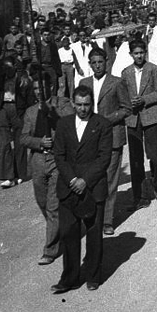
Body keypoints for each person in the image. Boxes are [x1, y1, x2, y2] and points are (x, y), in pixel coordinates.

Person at [51, 84, 112, 293]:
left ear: (92, 104)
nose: (83, 109)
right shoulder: (63, 124)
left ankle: (93, 276)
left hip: (93, 187)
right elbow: (59, 155)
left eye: (87, 105)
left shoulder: (102, 124)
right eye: (79, 104)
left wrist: (85, 180)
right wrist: (72, 179)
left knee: (94, 235)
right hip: (68, 187)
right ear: (73, 104)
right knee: (69, 234)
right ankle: (69, 279)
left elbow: (104, 157)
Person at [21, 77, 70, 265]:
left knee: (53, 206)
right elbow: (23, 138)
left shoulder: (62, 104)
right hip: (38, 161)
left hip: (57, 161)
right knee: (42, 202)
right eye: (34, 88)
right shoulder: (30, 112)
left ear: (50, 86)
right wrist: (39, 142)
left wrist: (52, 113)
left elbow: (71, 123)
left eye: (41, 87)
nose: (38, 92)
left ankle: (50, 249)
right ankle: (58, 230)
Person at [81, 47, 129, 235]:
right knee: (91, 178)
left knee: (110, 179)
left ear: (106, 62)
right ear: (90, 64)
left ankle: (107, 221)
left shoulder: (117, 83)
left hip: (112, 136)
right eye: (94, 62)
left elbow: (126, 108)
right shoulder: (84, 83)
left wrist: (107, 120)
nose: (98, 66)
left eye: (100, 62)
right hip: (90, 138)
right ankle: (92, 216)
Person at [121, 39, 157, 210]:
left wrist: (144, 100)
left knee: (155, 155)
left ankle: (156, 180)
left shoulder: (153, 69)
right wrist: (130, 102)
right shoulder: (125, 73)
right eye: (136, 53)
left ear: (145, 53)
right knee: (135, 159)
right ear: (131, 54)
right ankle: (139, 196)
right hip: (133, 119)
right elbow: (123, 96)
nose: (139, 56)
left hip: (151, 116)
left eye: (141, 52)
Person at [0, 52, 34, 187]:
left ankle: (20, 174)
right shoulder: (1, 78)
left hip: (18, 110)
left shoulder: (24, 80)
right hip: (4, 109)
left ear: (15, 67)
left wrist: (29, 116)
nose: (6, 70)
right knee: (4, 143)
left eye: (9, 67)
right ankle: (8, 176)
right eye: (4, 67)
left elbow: (30, 99)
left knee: (20, 143)